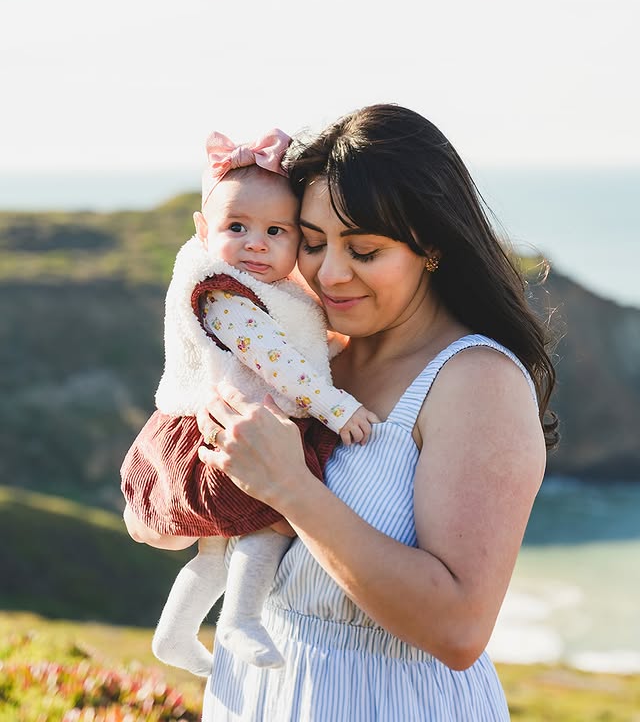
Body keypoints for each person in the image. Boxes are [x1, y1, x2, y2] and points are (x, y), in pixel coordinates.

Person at [126, 104, 558, 721]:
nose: (329, 274)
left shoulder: (475, 382)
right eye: (311, 241)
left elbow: (459, 631)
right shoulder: (309, 358)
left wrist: (291, 489)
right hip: (254, 696)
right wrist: (179, 501)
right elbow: (170, 517)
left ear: (429, 245)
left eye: (364, 250)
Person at [121, 128, 378, 677]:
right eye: (236, 227)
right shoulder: (221, 290)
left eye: (275, 231)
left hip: (224, 427)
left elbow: (296, 340)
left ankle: (174, 635)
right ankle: (239, 620)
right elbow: (274, 359)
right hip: (228, 431)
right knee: (272, 522)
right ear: (202, 231)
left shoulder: (266, 288)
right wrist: (336, 407)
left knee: (213, 552)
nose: (256, 243)